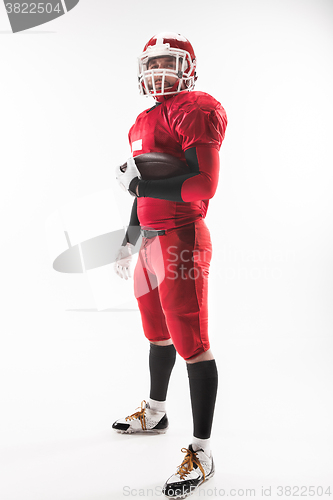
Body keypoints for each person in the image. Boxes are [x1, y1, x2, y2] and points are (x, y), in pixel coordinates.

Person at [113, 32, 227, 498]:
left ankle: (202, 450)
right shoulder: (141, 120)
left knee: (191, 342)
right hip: (150, 240)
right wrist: (129, 237)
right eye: (151, 62)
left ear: (189, 66)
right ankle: (157, 412)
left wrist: (139, 193)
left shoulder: (197, 108)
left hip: (181, 237)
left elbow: (202, 184)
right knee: (155, 332)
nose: (159, 70)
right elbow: (141, 186)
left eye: (169, 62)